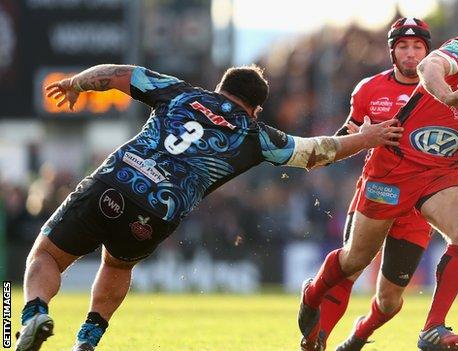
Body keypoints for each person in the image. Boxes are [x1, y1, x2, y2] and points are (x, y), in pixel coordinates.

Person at [14, 64, 403, 351]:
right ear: (256, 109)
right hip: (159, 211)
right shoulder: (255, 135)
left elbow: (121, 73)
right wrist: (368, 137)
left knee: (46, 254)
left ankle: (33, 313)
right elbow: (316, 152)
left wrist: (77, 83)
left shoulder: (180, 92)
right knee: (118, 264)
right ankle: (86, 341)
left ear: (219, 88)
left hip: (114, 181)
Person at [298, 10, 458, 351]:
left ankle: (433, 327)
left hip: (441, 172)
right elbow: (429, 69)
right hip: (394, 169)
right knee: (355, 259)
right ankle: (313, 294)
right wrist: (447, 95)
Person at [315, 18, 458, 351]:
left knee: (388, 299)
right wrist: (352, 141)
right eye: (403, 47)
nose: (411, 54)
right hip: (378, 189)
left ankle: (358, 336)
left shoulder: (446, 89)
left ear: (428, 52)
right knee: (350, 266)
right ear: (392, 51)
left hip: (419, 206)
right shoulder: (368, 89)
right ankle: (316, 341)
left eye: (417, 47)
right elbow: (347, 135)